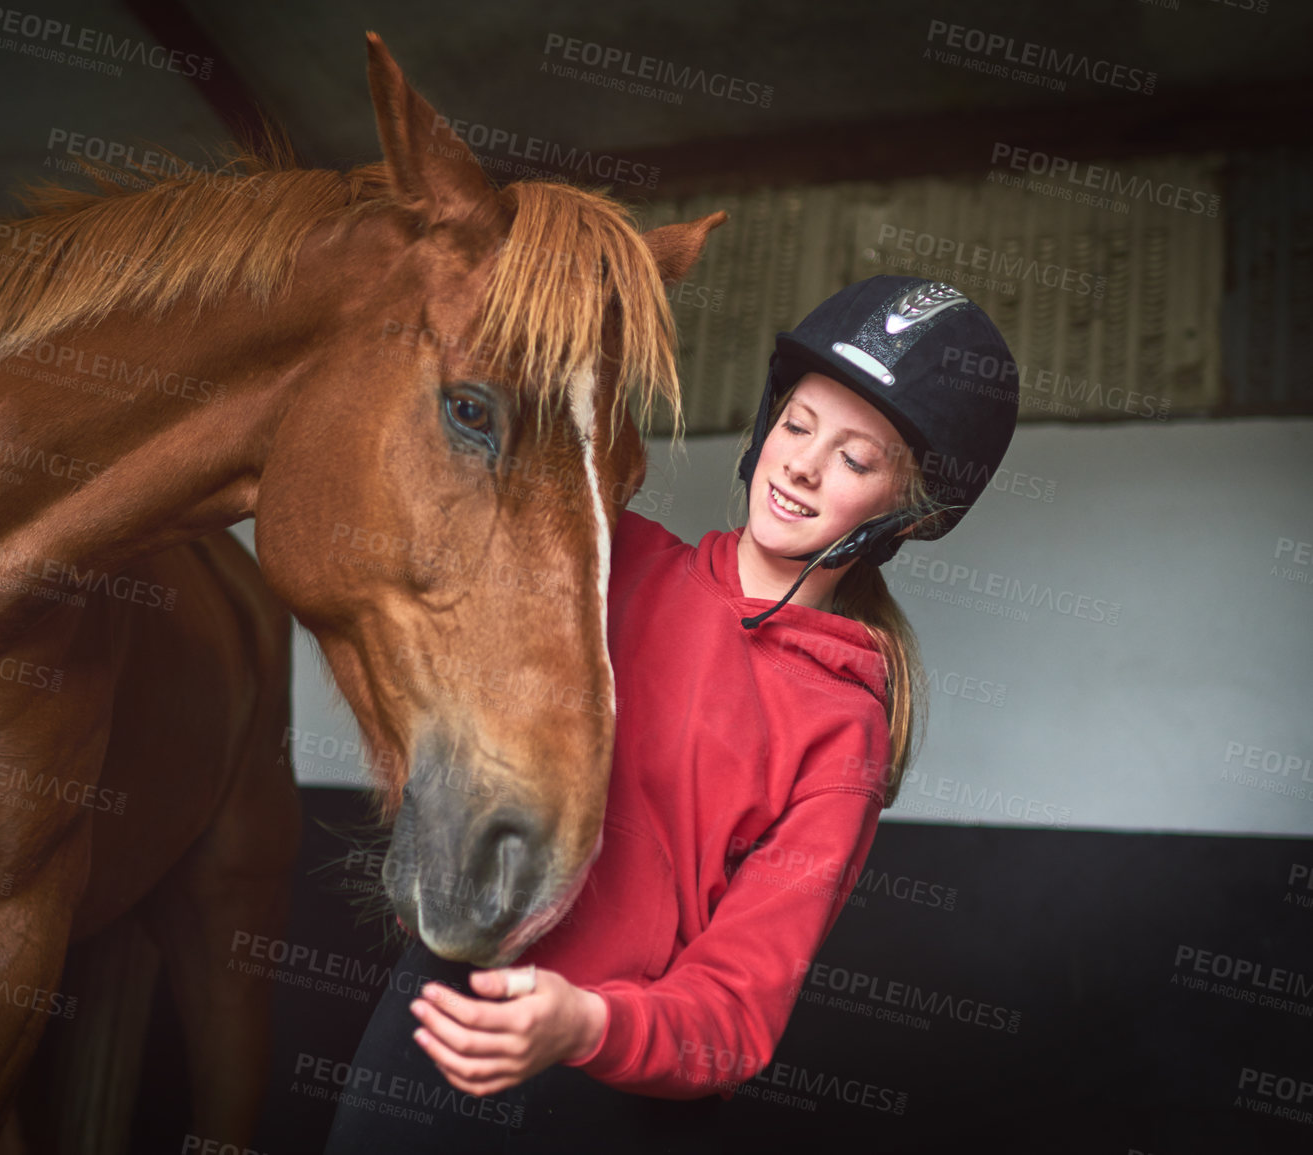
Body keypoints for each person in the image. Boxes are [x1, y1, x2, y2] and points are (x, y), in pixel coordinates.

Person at [323, 276, 1020, 1153]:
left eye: (853, 458)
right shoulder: (612, 556)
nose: (801, 463)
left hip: (603, 1089)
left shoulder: (846, 730)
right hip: (437, 1014)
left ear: (907, 515)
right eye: (797, 426)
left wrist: (583, 1023)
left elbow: (734, 1015)